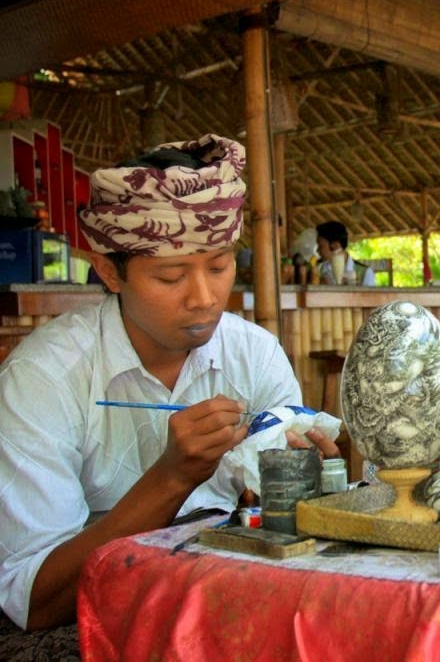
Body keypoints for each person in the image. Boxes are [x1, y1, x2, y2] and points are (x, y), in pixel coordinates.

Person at [0, 135, 338, 641]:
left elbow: (286, 523)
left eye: (219, 267)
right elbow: (36, 602)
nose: (204, 298)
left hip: (230, 600)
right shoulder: (43, 380)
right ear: (110, 272)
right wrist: (172, 477)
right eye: (171, 276)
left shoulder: (253, 353)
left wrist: (310, 474)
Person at [315, 220, 376, 286]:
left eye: (321, 246)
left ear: (335, 245)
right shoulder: (317, 270)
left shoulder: (365, 273)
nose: (317, 250)